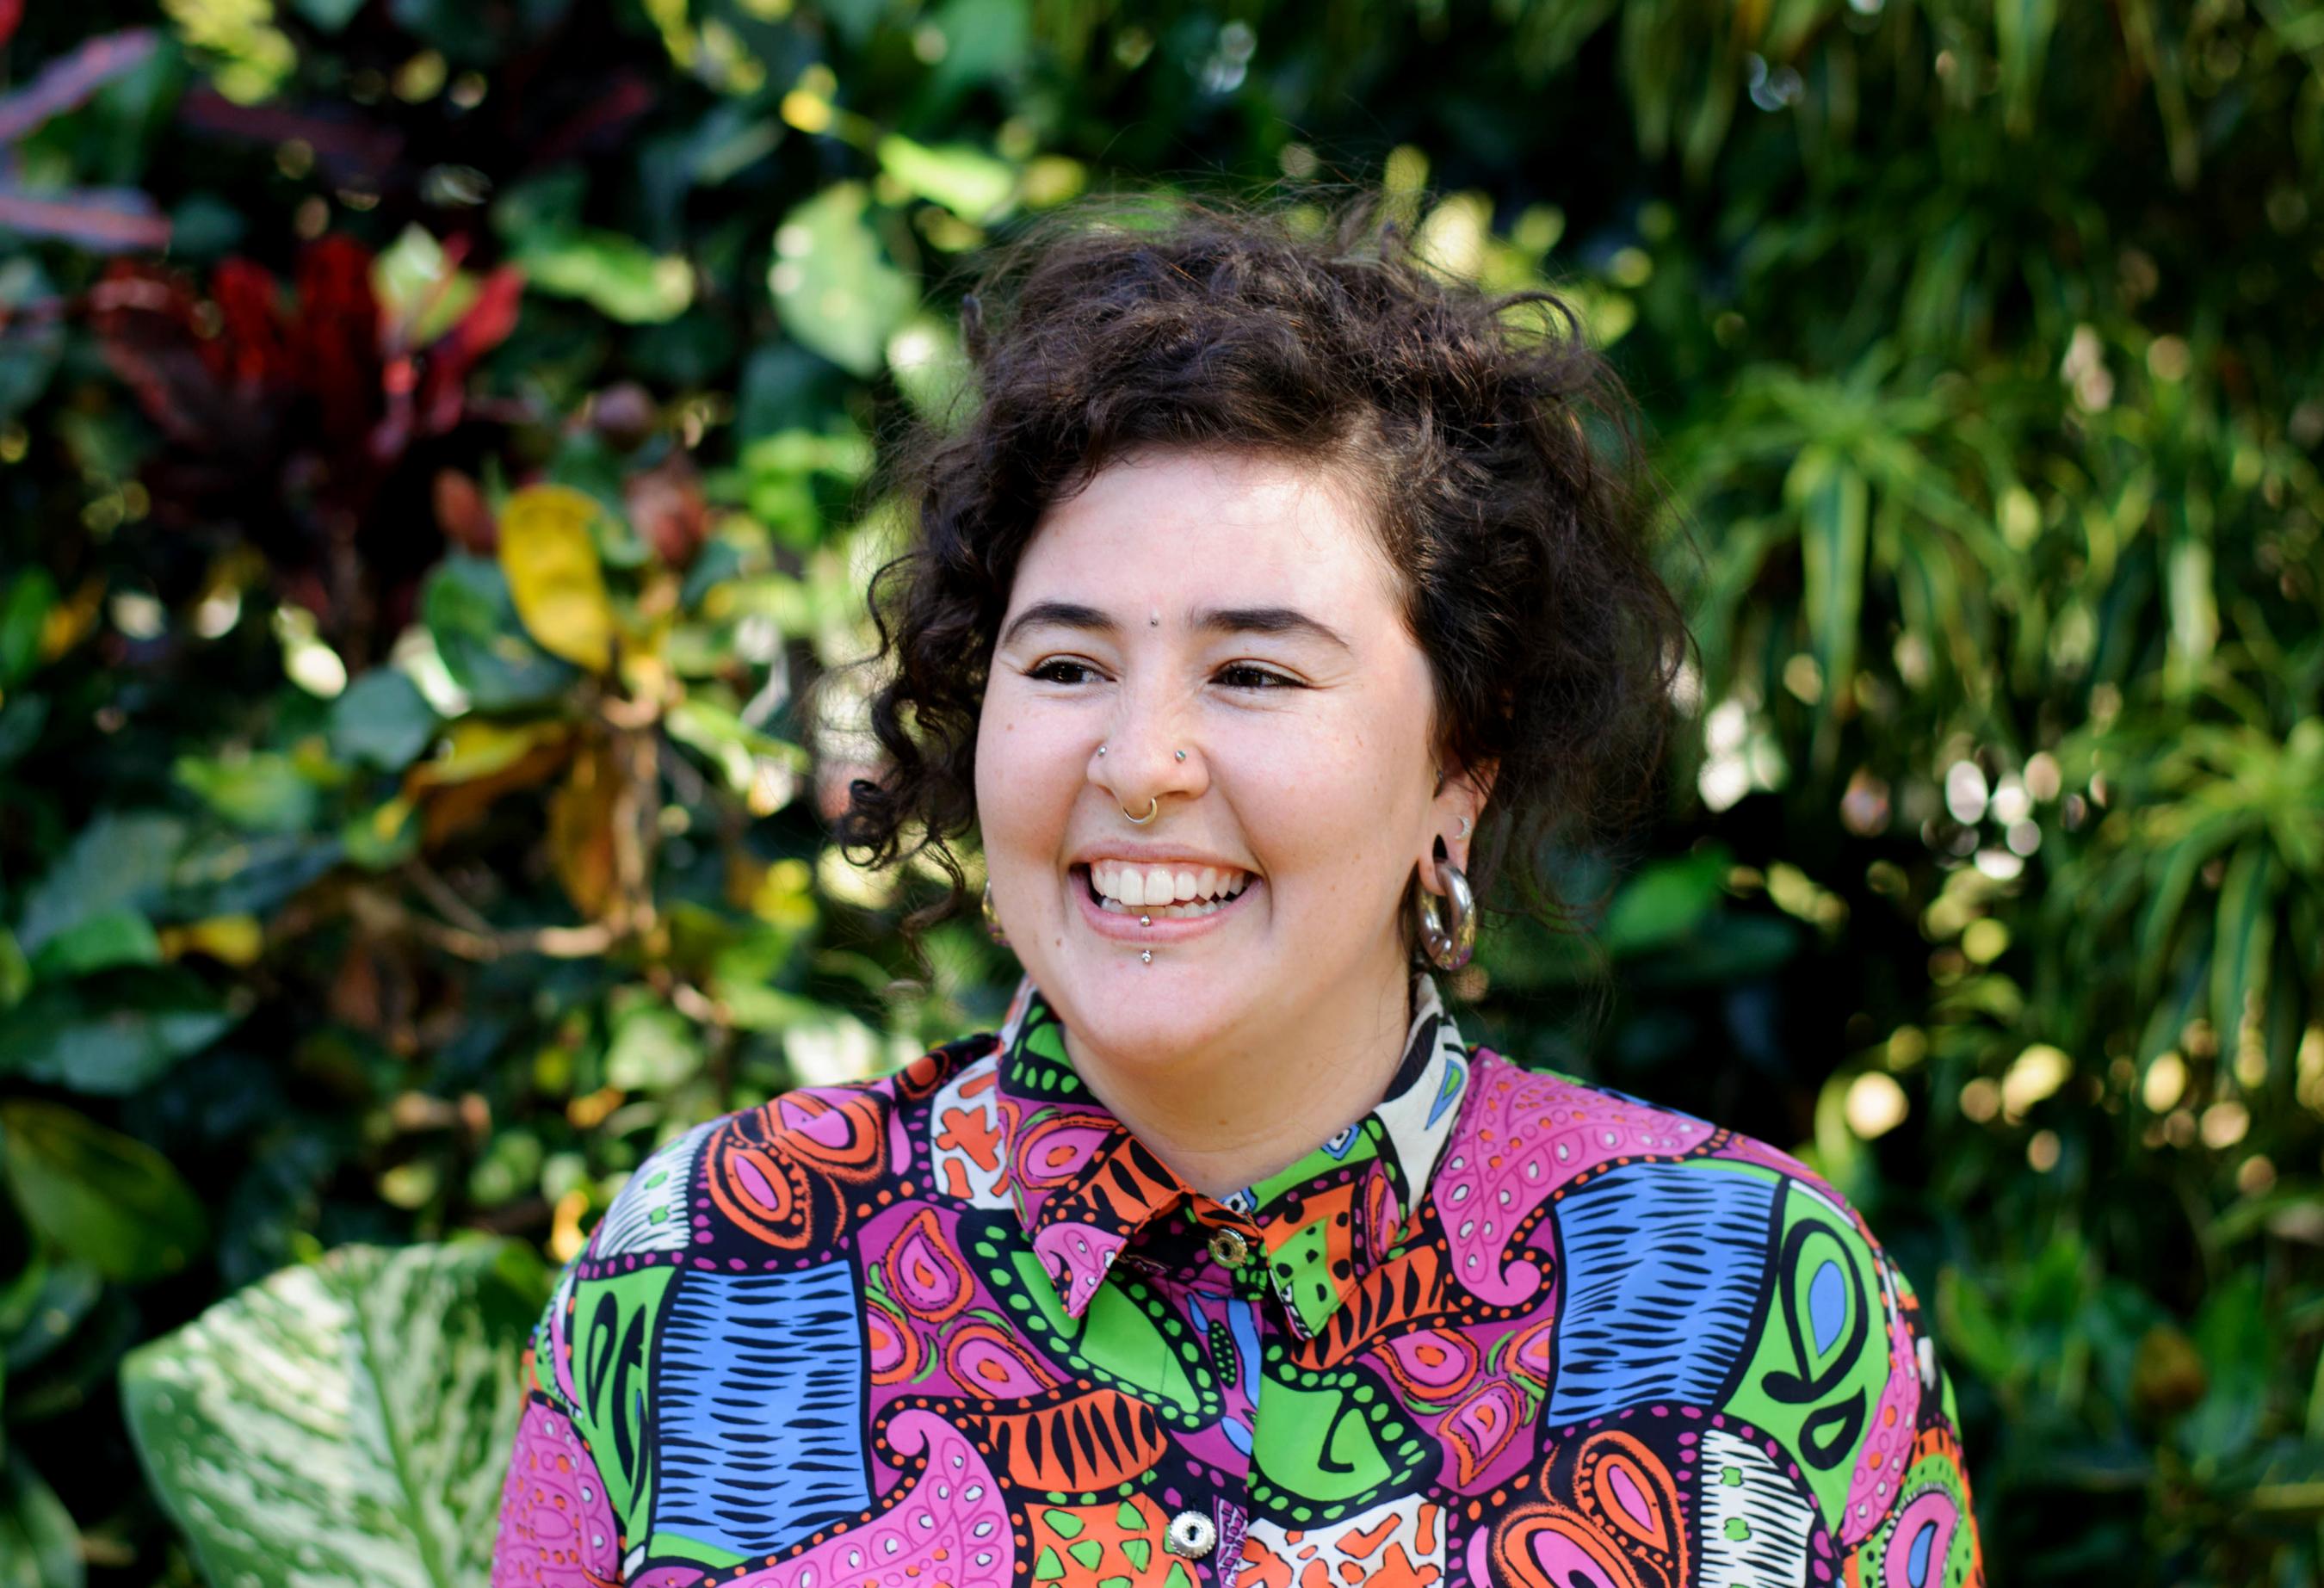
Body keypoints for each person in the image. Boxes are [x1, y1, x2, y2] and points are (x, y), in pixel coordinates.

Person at [489, 193, 1985, 1588]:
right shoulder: (710, 1270)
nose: (1140, 762)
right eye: (1065, 664)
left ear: (1462, 756)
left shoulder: (1754, 1300)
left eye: (1255, 672)